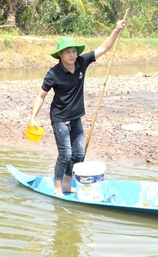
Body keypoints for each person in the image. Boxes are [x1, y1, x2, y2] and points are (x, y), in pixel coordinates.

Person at [30, 19, 127, 195]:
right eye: (68, 52)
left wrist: (116, 30)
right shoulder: (53, 73)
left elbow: (103, 48)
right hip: (59, 118)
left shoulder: (82, 62)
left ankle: (67, 183)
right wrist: (33, 118)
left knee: (79, 153)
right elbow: (41, 95)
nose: (72, 55)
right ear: (60, 55)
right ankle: (58, 187)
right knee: (65, 153)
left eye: (74, 51)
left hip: (76, 117)